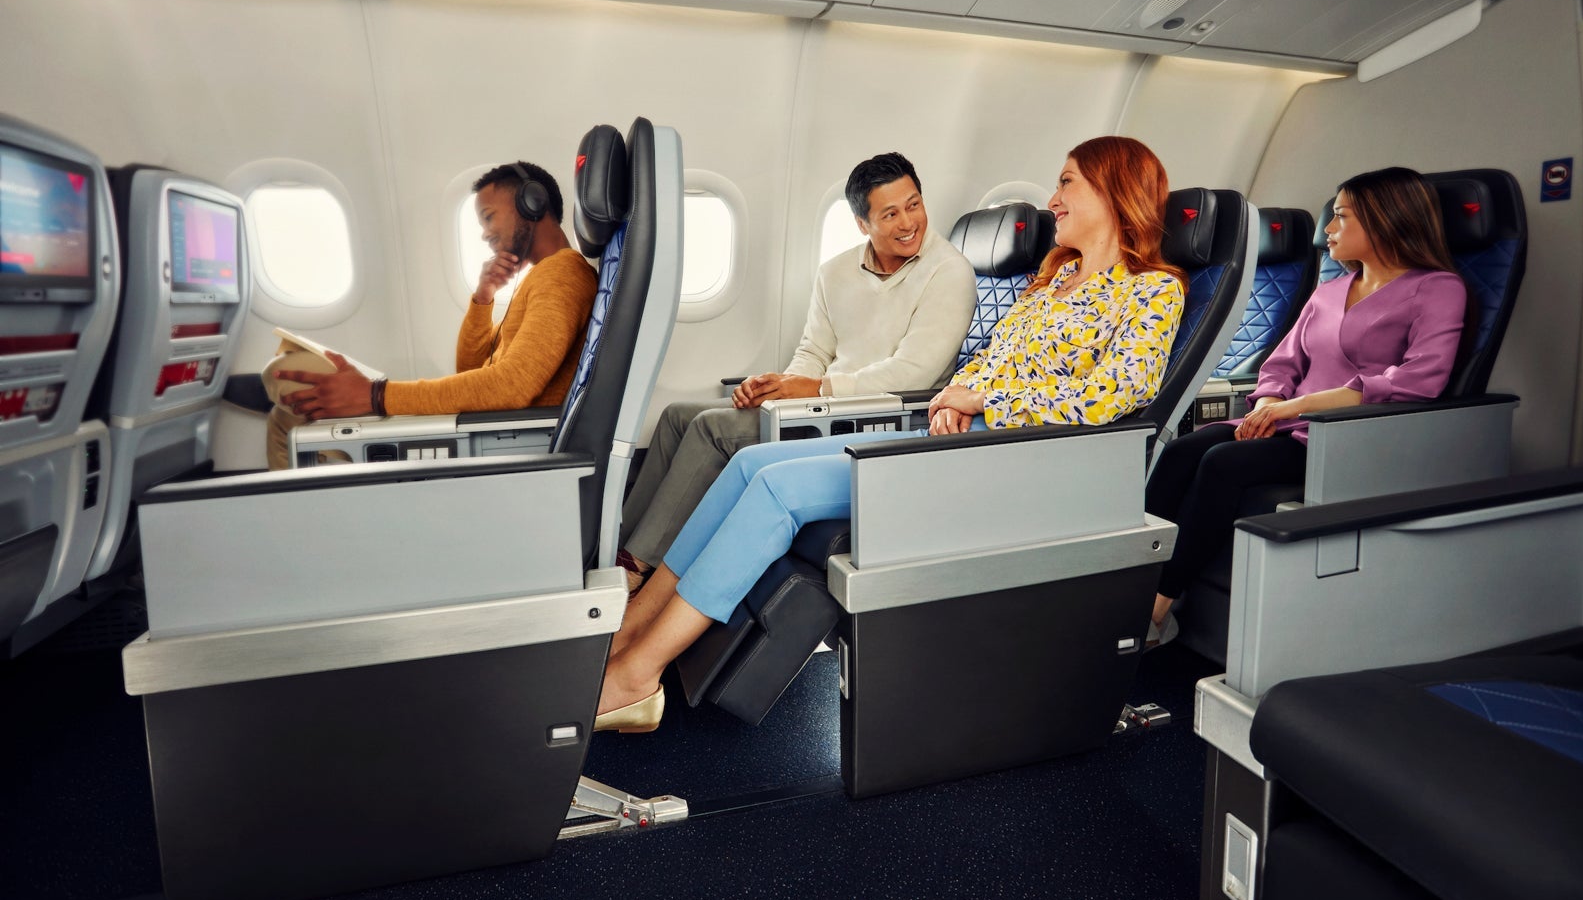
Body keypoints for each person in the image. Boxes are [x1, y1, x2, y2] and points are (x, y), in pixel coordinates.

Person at [594, 136, 1187, 732]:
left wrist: (984, 401)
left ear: (1114, 192)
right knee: (754, 466)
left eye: (1067, 183)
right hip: (955, 438)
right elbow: (987, 359)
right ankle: (629, 632)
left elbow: (1116, 395)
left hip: (1013, 463)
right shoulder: (1051, 282)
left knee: (777, 491)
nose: (1052, 200)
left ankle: (638, 675)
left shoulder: (1152, 290)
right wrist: (956, 398)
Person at [614, 152, 977, 590]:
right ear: (863, 223)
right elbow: (813, 351)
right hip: (829, 403)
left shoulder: (949, 271)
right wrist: (779, 386)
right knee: (675, 415)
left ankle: (635, 569)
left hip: (886, 414)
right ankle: (617, 551)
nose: (908, 222)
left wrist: (816, 388)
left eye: (914, 204)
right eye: (891, 213)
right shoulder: (835, 272)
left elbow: (914, 374)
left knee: (713, 428)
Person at [1142, 166, 1468, 647]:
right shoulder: (1330, 289)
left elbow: (1419, 380)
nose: (1329, 230)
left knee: (1222, 463)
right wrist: (1270, 401)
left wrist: (1295, 407)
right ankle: (1126, 579)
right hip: (1285, 420)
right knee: (1181, 451)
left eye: (1340, 217)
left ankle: (1158, 608)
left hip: (1346, 433)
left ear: (1384, 219)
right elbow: (1284, 360)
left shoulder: (1439, 289)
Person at [262, 161, 598, 469]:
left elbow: (511, 386)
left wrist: (375, 396)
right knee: (291, 402)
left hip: (502, 441)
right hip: (486, 426)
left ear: (532, 203)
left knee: (286, 406)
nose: (484, 233)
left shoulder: (561, 275)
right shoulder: (542, 277)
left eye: (489, 216)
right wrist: (483, 298)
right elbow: (471, 369)